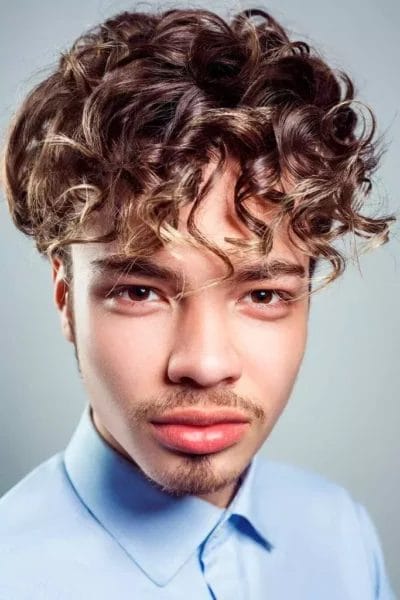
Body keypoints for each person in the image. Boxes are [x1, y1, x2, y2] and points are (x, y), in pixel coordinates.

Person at [0, 6, 396, 599]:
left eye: (263, 294)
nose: (205, 364)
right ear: (66, 300)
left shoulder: (341, 532)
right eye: (139, 291)